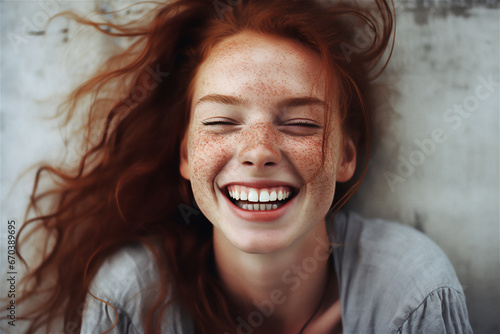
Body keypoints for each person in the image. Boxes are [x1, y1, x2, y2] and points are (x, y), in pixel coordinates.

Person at [8, 0, 473, 333]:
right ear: (186, 154)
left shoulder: (412, 293)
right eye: (221, 121)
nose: (258, 151)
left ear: (346, 156)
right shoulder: (128, 297)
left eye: (301, 123)